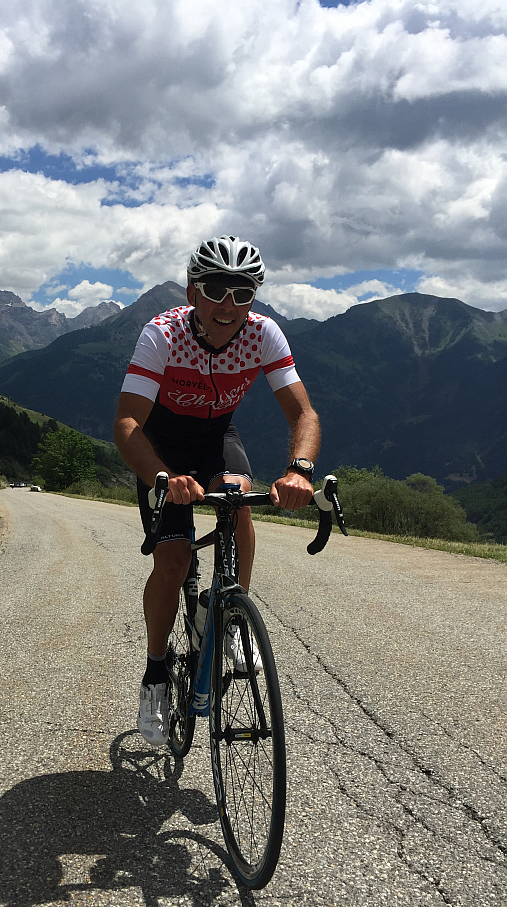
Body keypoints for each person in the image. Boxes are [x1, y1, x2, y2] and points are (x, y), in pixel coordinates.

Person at [113, 235, 320, 746]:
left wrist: (299, 470)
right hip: (161, 447)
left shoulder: (263, 333)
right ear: (192, 292)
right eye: (215, 291)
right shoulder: (162, 334)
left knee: (238, 502)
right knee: (173, 560)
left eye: (242, 292)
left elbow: (303, 413)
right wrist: (161, 477)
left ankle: (230, 618)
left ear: (253, 298)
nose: (228, 305)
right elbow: (128, 423)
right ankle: (155, 674)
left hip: (216, 440)